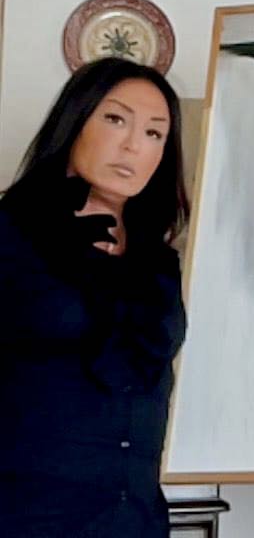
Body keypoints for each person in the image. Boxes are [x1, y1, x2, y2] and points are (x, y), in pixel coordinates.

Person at [0, 57, 189, 537]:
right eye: (115, 119)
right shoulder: (11, 234)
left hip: (135, 518)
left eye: (154, 133)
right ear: (75, 120)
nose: (133, 145)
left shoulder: (160, 262)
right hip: (27, 516)